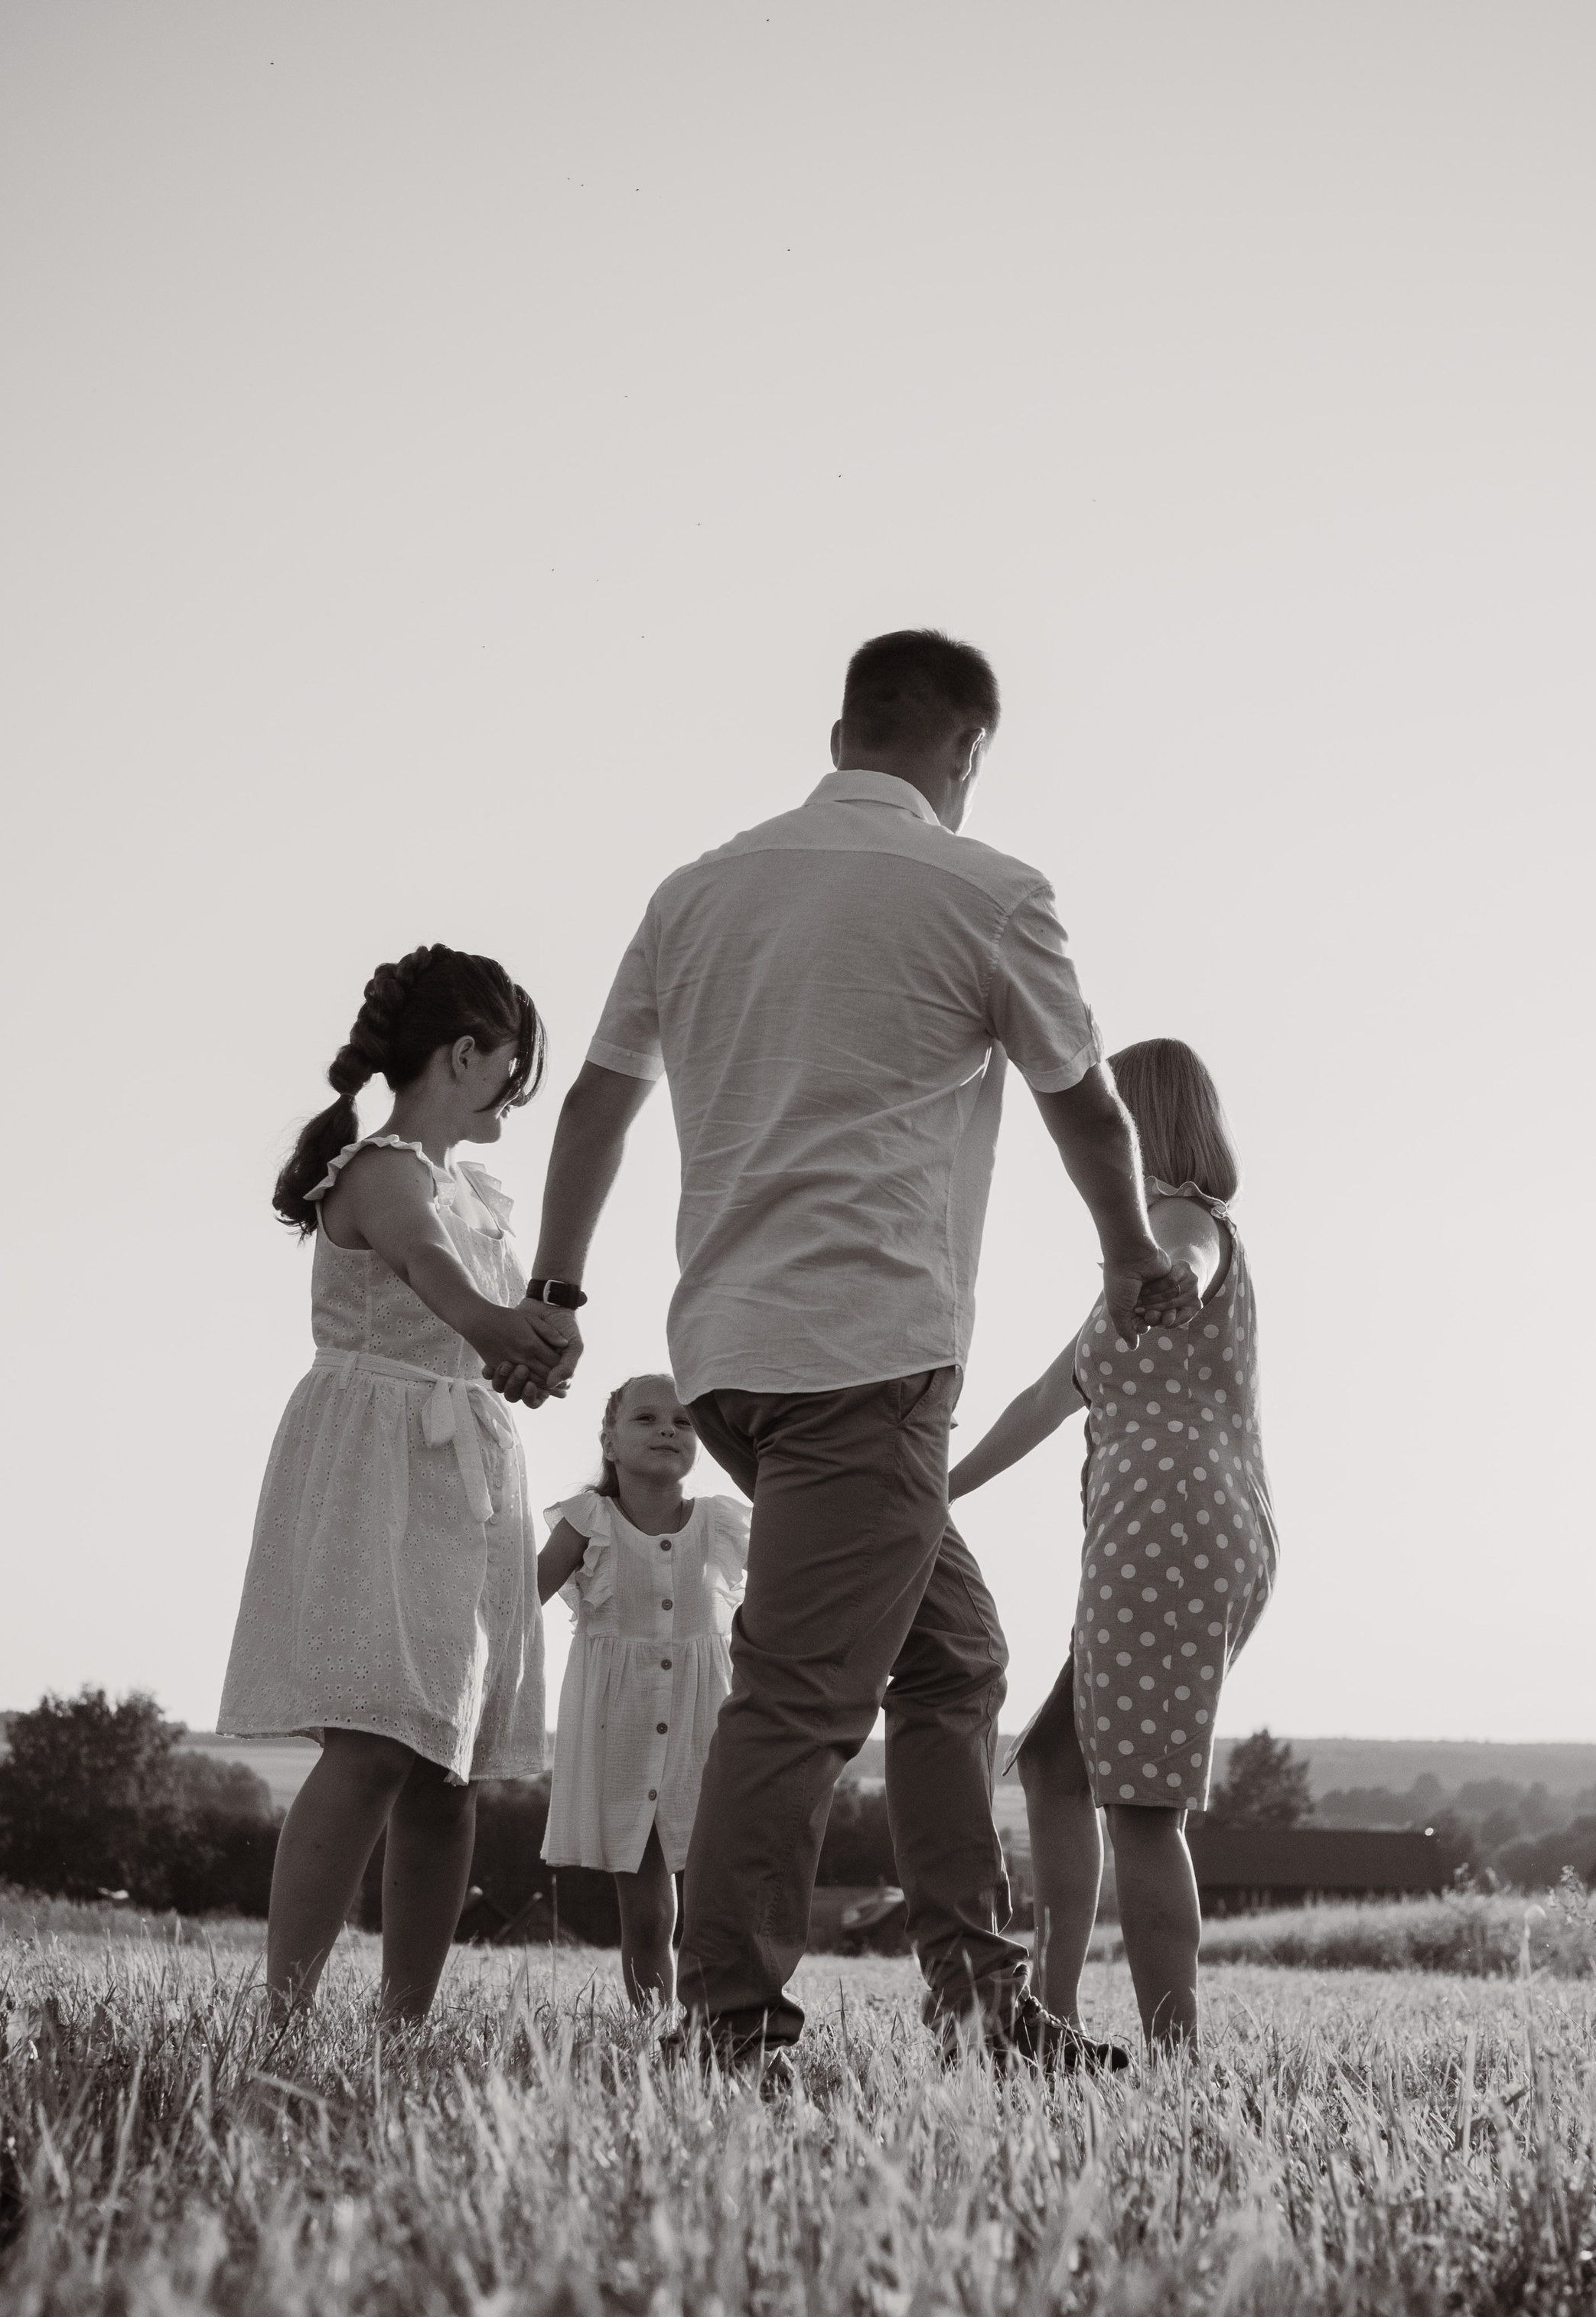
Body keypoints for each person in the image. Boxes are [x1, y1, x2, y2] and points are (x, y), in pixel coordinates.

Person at [499, 629, 1194, 2074]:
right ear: (965, 754)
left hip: (731, 1360)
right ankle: (731, 2019)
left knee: (951, 1658)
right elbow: (1084, 1106)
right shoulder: (989, 891)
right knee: (805, 1697)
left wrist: (559, 1286)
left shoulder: (694, 892)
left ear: (837, 738)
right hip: (866, 1359)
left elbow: (596, 1105)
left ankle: (978, 1997)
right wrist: (1131, 1257)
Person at [219, 944, 565, 2022]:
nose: (513, 1095)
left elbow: (475, 1310)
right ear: (464, 1054)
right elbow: (428, 1269)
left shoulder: (471, 1189)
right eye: (508, 1070)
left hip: (461, 1471)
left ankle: (400, 2027)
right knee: (373, 1740)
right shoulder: (379, 1174)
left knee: (446, 1768)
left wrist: (526, 1358)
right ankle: (279, 2016)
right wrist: (502, 1332)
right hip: (381, 1464)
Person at [948, 1039, 1277, 2050]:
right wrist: (930, 1491)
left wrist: (1163, 1267)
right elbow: (1044, 1398)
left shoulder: (1179, 1220)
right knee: (1052, 1765)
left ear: (1136, 1124)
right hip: (1159, 1534)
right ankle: (1046, 2017)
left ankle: (1173, 2065)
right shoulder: (1127, 1269)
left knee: (1139, 1808)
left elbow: (1191, 1258)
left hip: (1171, 1534)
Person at [537, 1374, 751, 2009]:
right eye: (647, 1418)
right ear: (608, 1440)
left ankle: (719, 2015)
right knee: (648, 1907)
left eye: (684, 1422)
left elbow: (784, 1600)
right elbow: (518, 1600)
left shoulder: (721, 1521)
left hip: (705, 1718)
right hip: (618, 1722)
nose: (667, 1429)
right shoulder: (587, 1520)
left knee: (718, 1886)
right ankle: (652, 2024)